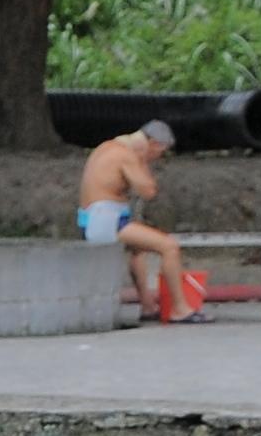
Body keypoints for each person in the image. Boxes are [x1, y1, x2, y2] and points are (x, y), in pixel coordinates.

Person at [76, 118, 185, 317]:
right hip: (105, 219)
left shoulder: (109, 146)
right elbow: (149, 191)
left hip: (97, 217)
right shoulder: (127, 154)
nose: (157, 158)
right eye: (160, 153)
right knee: (169, 247)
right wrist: (142, 161)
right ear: (153, 144)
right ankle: (180, 309)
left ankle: (148, 305)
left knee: (139, 251)